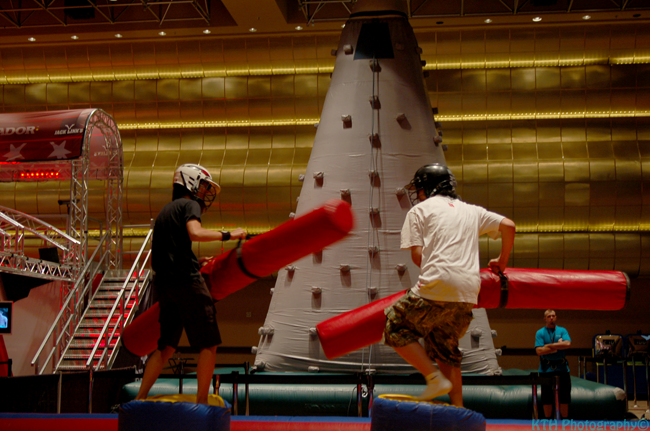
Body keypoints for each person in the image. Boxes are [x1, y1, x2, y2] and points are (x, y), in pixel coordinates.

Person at [383, 163, 516, 407]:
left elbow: (417, 257)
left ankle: (433, 378)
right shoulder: (472, 210)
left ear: (428, 188)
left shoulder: (419, 211)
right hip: (468, 293)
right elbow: (508, 225)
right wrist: (502, 261)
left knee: (394, 326)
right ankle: (458, 408)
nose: (418, 194)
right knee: (447, 349)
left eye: (419, 189)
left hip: (436, 285)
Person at [135, 164, 246, 405]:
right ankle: (202, 403)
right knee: (209, 344)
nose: (205, 193)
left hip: (165, 285)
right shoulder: (189, 205)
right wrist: (230, 234)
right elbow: (195, 233)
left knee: (165, 347)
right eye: (203, 186)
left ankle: (139, 399)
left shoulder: (164, 213)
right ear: (190, 182)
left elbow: (168, 252)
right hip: (187, 281)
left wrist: (196, 261)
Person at [535, 309, 572, 418]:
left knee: (564, 398)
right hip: (546, 369)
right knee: (546, 398)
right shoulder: (540, 333)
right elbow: (539, 351)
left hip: (562, 369)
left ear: (556, 317)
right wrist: (557, 347)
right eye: (549, 316)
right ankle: (548, 421)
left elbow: (568, 344)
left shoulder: (562, 330)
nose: (551, 318)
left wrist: (549, 346)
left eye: (553, 316)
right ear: (545, 319)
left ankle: (564, 421)